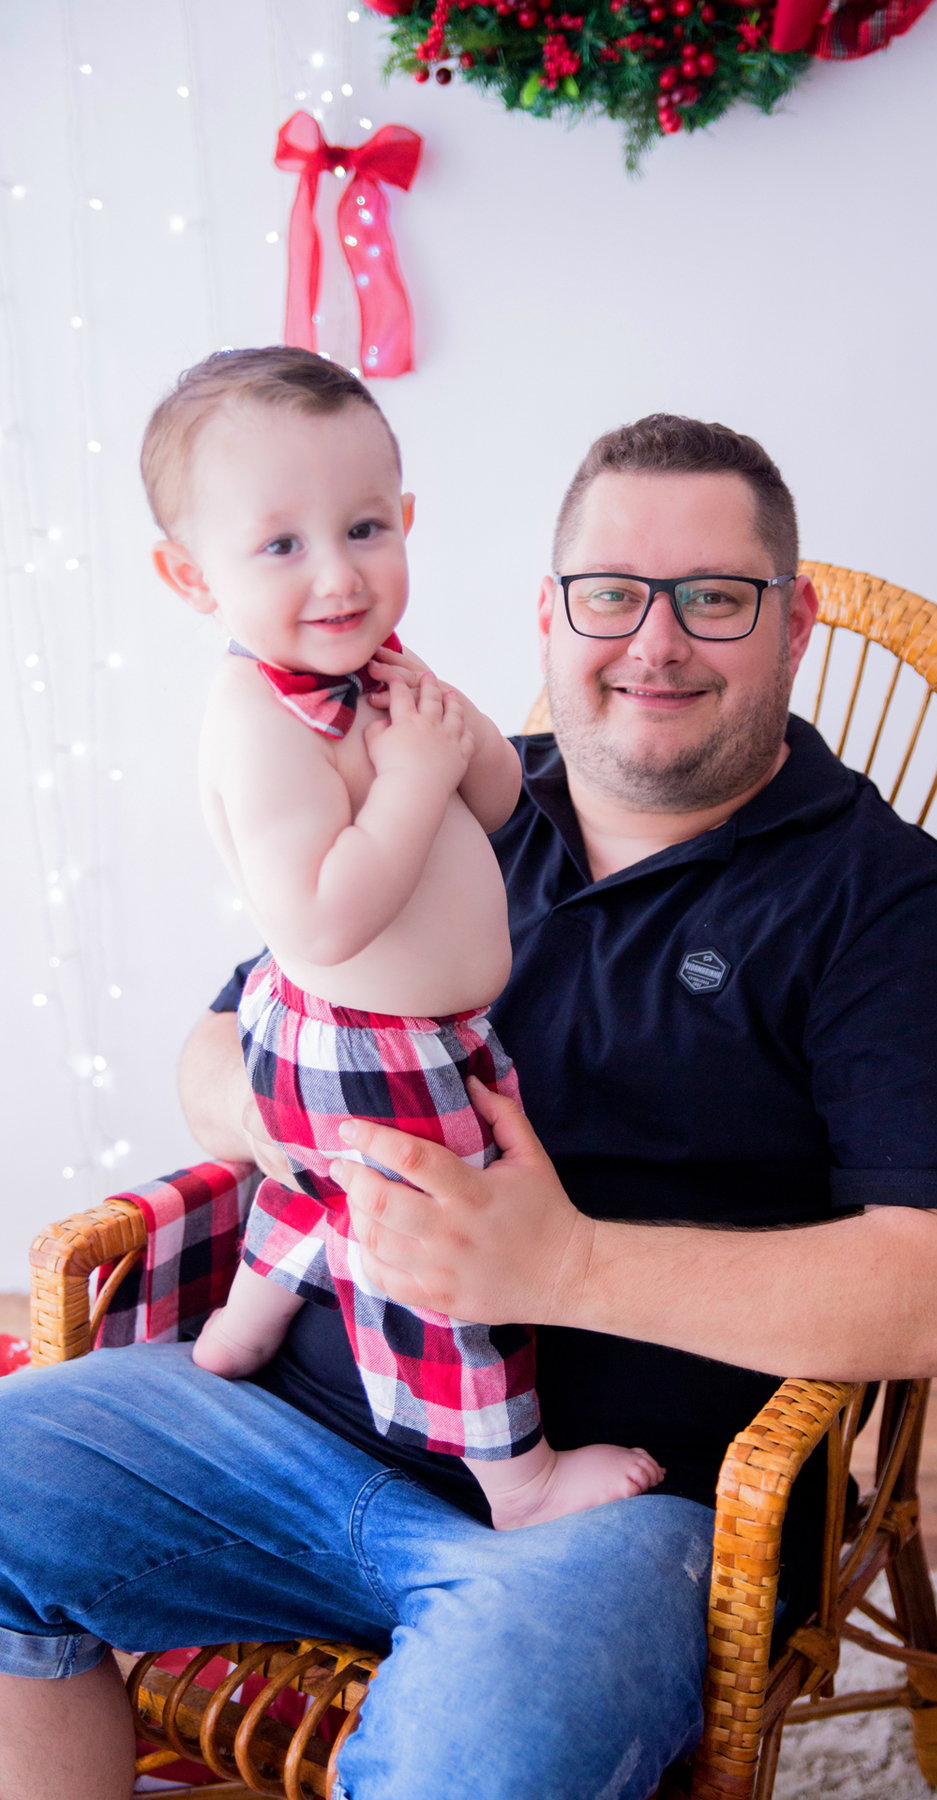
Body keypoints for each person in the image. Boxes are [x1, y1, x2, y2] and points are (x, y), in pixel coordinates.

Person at [0, 412, 937, 1800]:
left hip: (621, 1510)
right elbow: (219, 1042)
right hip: (286, 1432)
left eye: (713, 600)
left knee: (468, 1762)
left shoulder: (881, 908)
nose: (653, 645)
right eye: (610, 594)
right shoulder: (434, 789)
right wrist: (306, 1127)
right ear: (548, 618)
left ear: (791, 626)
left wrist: (565, 1264)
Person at [144, 346, 663, 1530]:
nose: (338, 574)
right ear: (190, 577)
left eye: (367, 527)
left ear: (408, 519)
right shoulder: (258, 722)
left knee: (338, 1190)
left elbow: (496, 800)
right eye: (281, 545)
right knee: (442, 1255)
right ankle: (516, 1478)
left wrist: (453, 735)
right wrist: (415, 774)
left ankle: (247, 1320)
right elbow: (323, 911)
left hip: (400, 1038)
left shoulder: (365, 669)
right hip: (364, 1039)